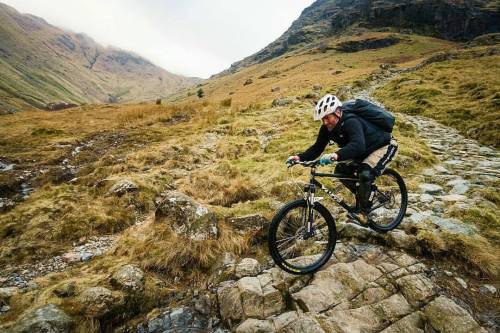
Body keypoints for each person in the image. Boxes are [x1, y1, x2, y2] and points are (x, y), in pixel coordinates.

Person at [286, 94, 398, 224]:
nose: (325, 122)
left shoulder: (351, 121)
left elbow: (358, 145)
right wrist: (298, 157)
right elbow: (317, 148)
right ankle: (365, 195)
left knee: (365, 173)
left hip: (383, 146)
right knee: (340, 170)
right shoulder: (326, 129)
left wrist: (336, 155)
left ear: (338, 112)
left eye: (327, 117)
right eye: (323, 119)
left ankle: (364, 213)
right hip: (362, 152)